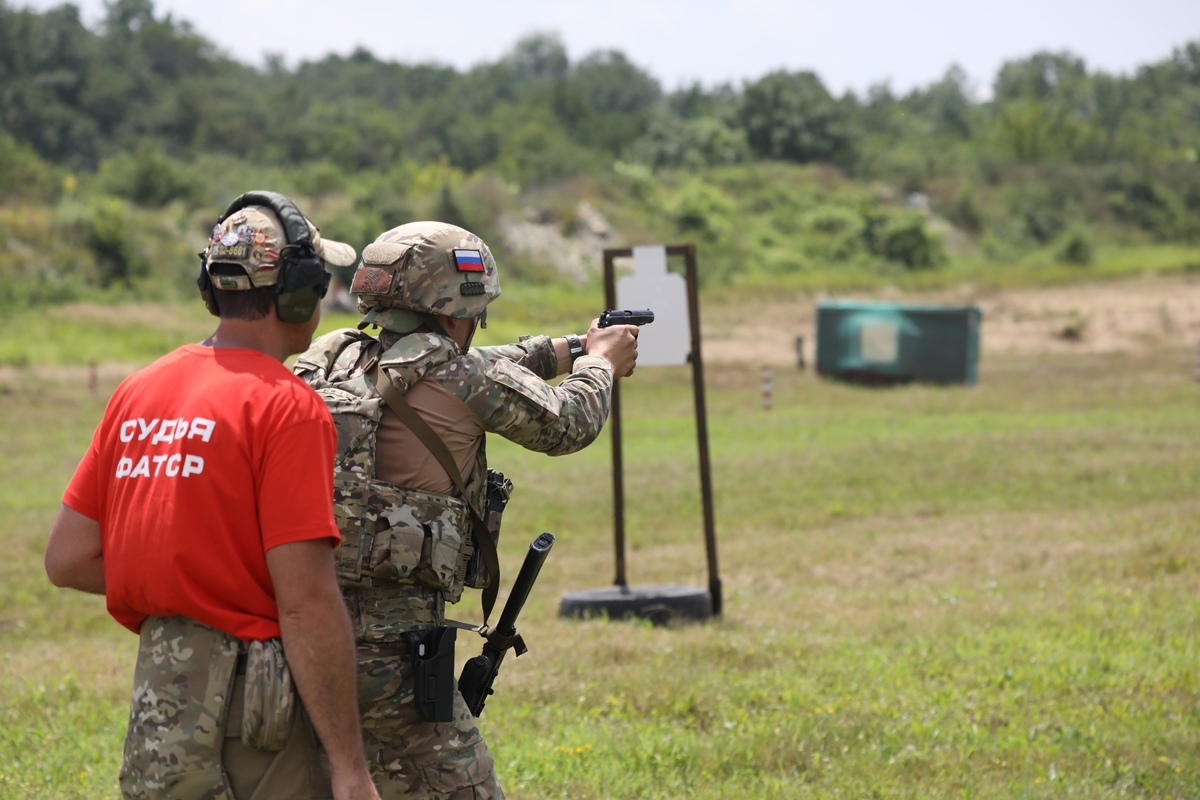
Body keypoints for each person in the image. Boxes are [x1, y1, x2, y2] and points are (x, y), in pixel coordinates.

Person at [44, 190, 382, 800]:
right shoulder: (288, 407)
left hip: (161, 703)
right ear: (298, 291)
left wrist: (189, 579)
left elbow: (68, 558)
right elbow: (305, 602)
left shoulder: (138, 390)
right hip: (254, 716)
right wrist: (351, 770)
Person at [293, 220, 640, 799]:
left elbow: (486, 363)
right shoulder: (461, 373)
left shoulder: (328, 358)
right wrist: (601, 367)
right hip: (397, 650)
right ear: (457, 307)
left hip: (306, 635)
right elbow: (569, 425)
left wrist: (578, 345)